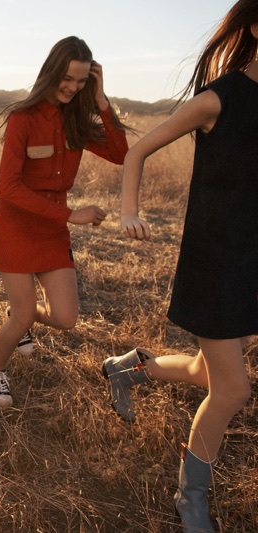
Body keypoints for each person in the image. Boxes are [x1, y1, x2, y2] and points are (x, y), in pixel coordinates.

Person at [102, 1, 257, 530]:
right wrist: (128, 211)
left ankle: (127, 368)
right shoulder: (220, 98)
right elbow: (137, 151)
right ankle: (190, 499)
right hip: (216, 261)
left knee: (205, 371)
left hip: (253, 260)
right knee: (233, 389)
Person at [0, 37, 129, 408]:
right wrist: (71, 215)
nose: (72, 87)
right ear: (52, 71)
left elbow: (119, 153)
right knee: (24, 316)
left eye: (81, 81)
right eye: (67, 78)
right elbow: (8, 189)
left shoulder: (78, 119)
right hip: (16, 228)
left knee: (66, 318)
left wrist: (100, 101)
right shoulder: (23, 118)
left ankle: (20, 313)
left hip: (51, 233)